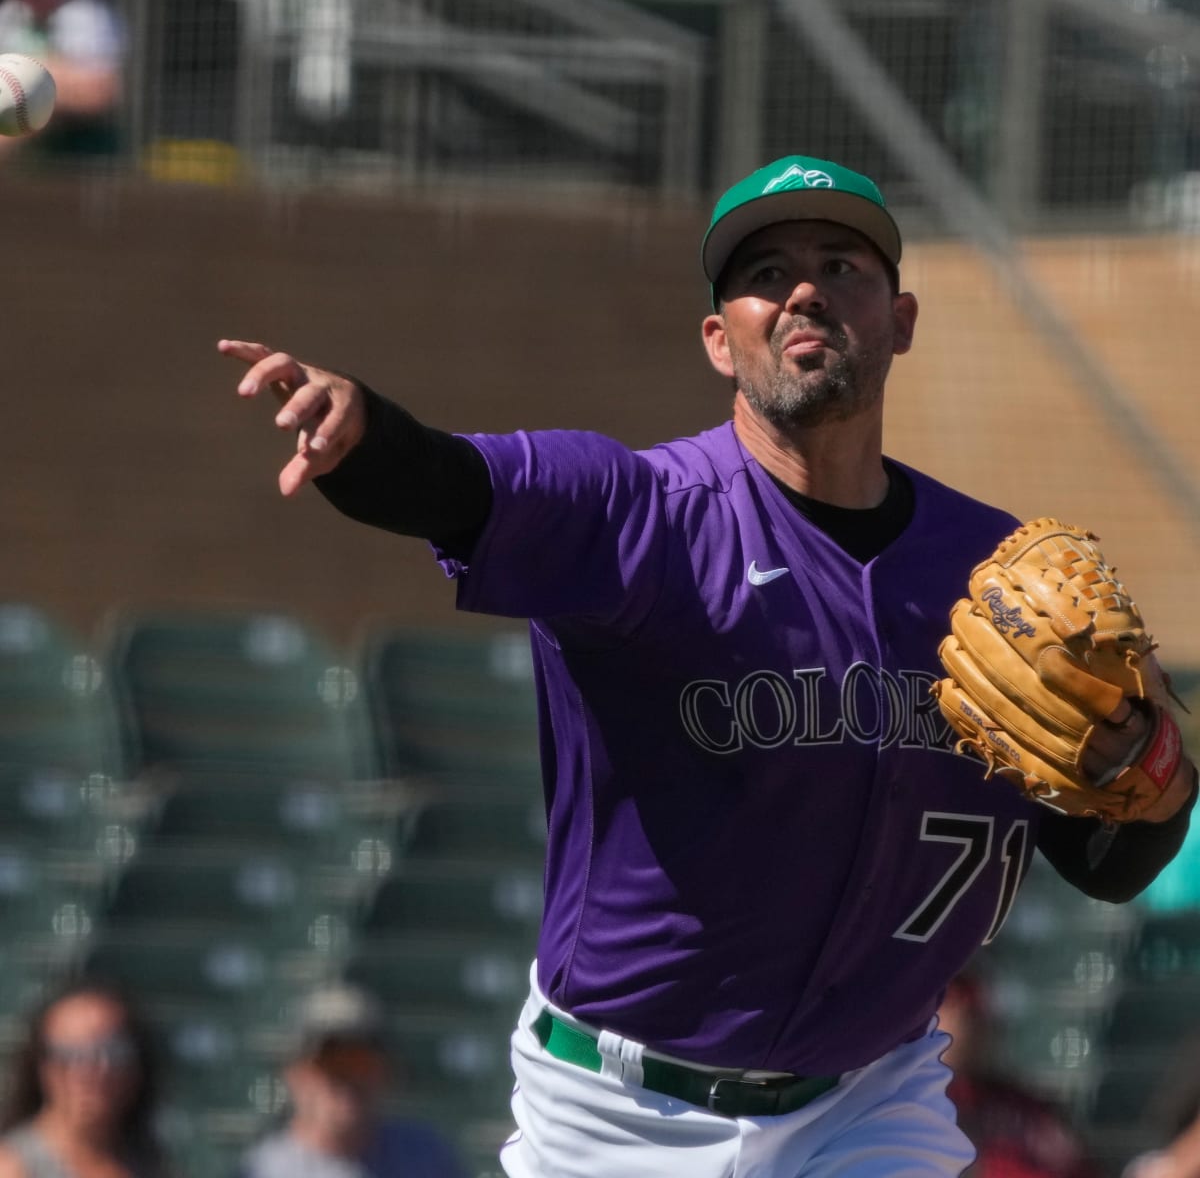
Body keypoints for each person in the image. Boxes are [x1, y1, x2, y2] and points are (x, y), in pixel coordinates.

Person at [222, 154, 1198, 1176]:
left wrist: (1151, 754)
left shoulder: (993, 581)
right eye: (766, 273)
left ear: (901, 321)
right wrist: (358, 430)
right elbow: (457, 483)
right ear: (718, 340)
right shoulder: (637, 516)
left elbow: (1110, 865)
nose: (805, 289)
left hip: (869, 1102)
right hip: (619, 1115)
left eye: (841, 265)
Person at [235, 983, 466, 1178]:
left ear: (386, 1072)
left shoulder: (426, 1157)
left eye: (360, 1062)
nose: (347, 1080)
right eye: (330, 1063)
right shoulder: (261, 1171)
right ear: (296, 1074)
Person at [937, 969, 1101, 1178]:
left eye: (974, 1016)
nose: (966, 1025)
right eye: (951, 1007)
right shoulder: (912, 1101)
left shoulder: (1023, 1105)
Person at [0, 979, 169, 1178]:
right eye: (68, 1054)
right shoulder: (12, 1167)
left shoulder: (150, 1161)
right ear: (41, 1067)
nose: (90, 1070)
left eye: (113, 1052)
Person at [0, 0, 124, 162]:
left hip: (81, 156)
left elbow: (102, 91)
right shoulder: (10, 12)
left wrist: (39, 80)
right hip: (22, 162)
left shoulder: (85, 15)